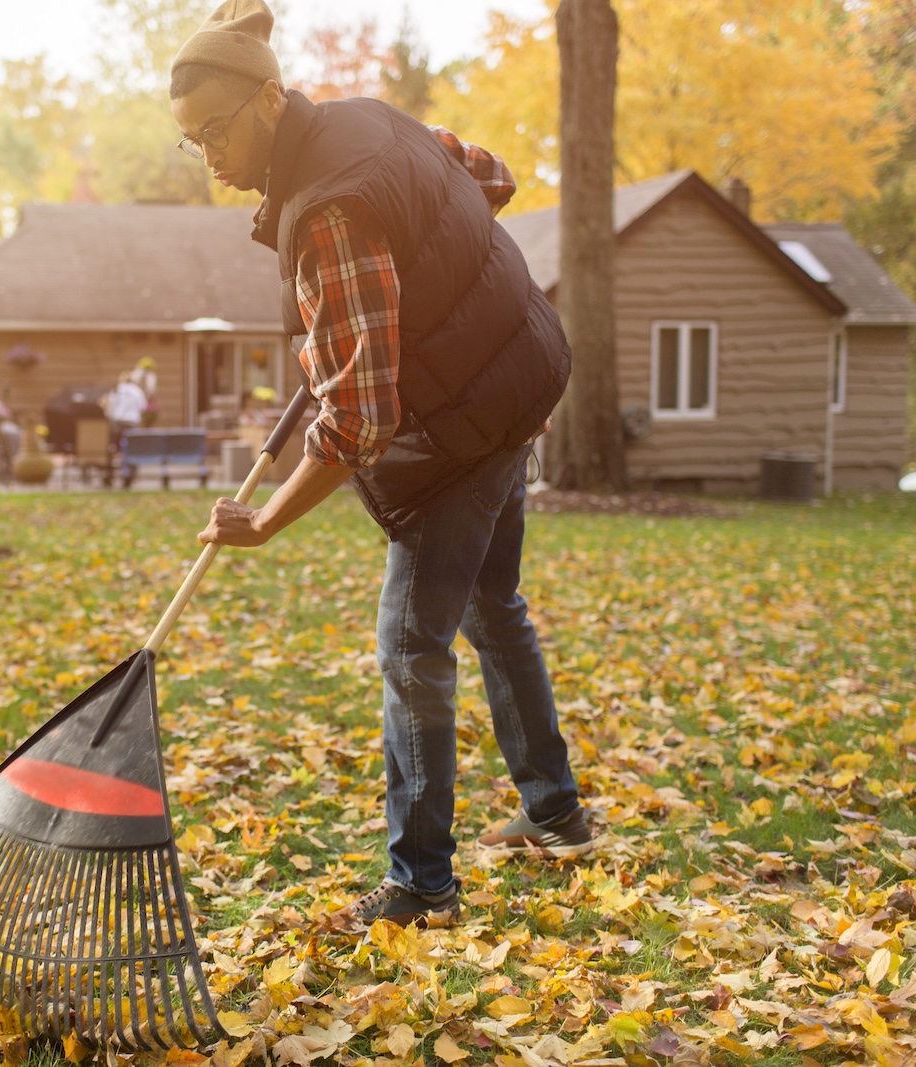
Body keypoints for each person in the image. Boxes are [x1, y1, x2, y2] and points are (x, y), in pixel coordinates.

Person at [169, 0, 599, 930]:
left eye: (214, 130)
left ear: (271, 100)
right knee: (494, 603)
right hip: (521, 373)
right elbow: (491, 173)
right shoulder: (373, 118)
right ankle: (557, 812)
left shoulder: (327, 215)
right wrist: (425, 240)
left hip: (467, 425)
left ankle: (422, 884)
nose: (206, 156)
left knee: (411, 647)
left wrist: (266, 520)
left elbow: (362, 419)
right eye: (189, 141)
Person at [104, 371, 149, 450]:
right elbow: (143, 406)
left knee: (115, 442)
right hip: (132, 420)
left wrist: (108, 414)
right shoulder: (137, 391)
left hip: (118, 420)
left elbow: (111, 405)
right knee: (130, 442)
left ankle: (115, 455)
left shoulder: (117, 389)